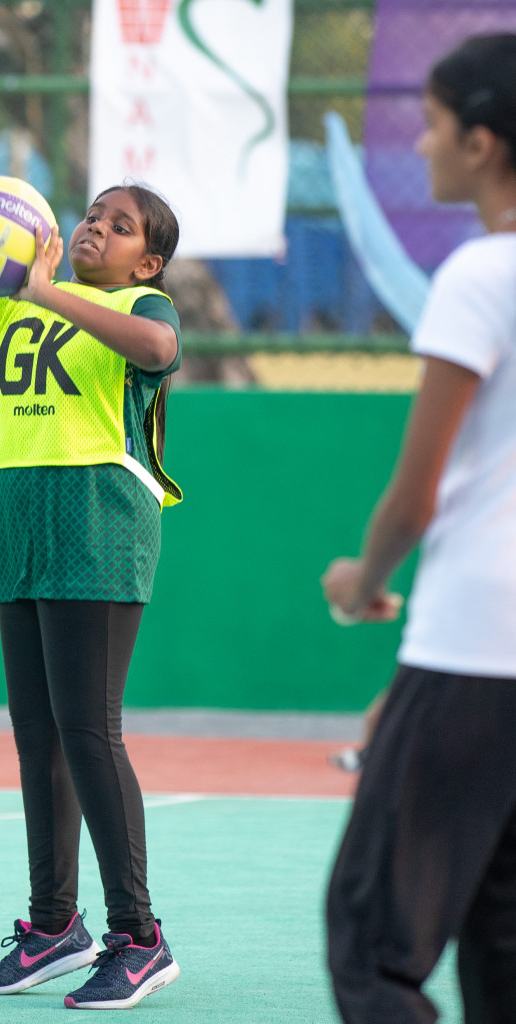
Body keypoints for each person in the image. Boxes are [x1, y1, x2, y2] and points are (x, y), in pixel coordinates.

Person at [0, 184, 183, 1010]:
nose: (96, 228)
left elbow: (156, 347)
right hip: (25, 522)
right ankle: (54, 926)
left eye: (119, 228)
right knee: (37, 736)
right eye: (92, 215)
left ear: (145, 261)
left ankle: (141, 939)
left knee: (90, 732)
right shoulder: (6, 307)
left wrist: (51, 291)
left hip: (100, 524)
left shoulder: (139, 302)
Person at [322, 33, 516, 1024]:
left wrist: (360, 583)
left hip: (476, 648)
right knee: (504, 945)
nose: (424, 143)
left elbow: (415, 494)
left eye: (434, 125)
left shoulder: (482, 275)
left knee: (371, 944)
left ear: (482, 142)